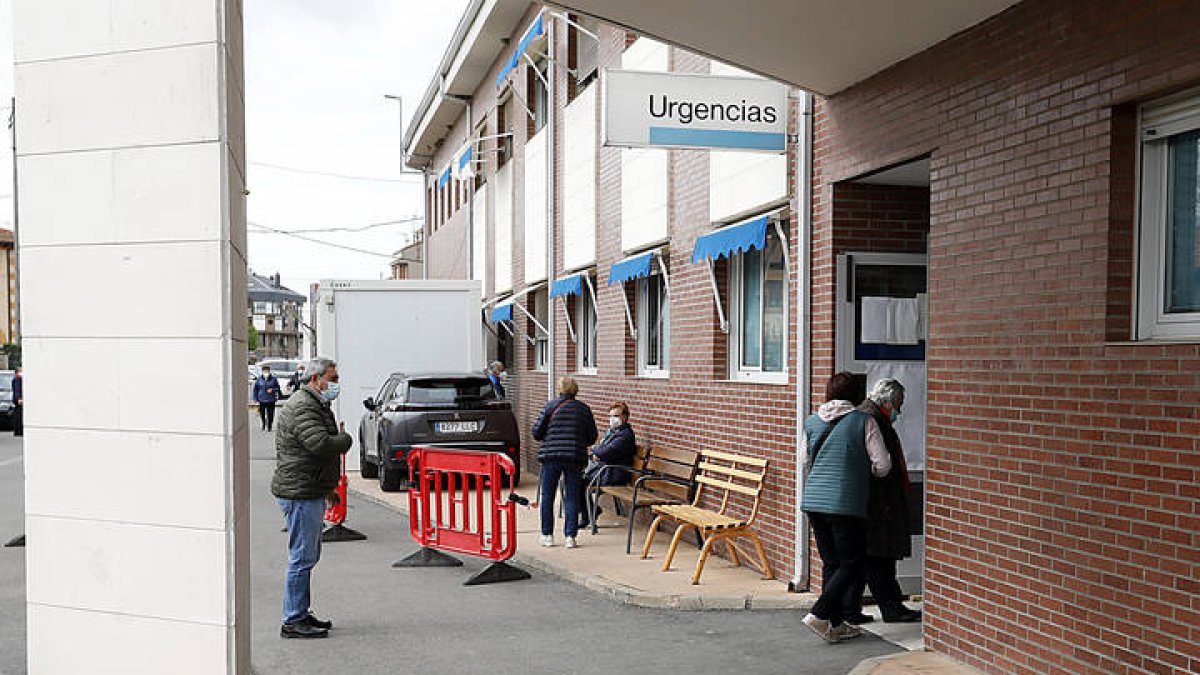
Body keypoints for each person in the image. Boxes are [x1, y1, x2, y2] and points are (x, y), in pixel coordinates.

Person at [800, 372, 892, 644]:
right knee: (852, 563)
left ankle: (835, 624)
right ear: (857, 395)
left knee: (832, 563)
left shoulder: (812, 421)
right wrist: (864, 472)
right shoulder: (864, 421)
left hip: (814, 501)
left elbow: (804, 460)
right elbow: (883, 465)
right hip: (845, 503)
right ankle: (820, 613)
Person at [270, 357, 352, 639]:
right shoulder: (304, 405)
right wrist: (346, 440)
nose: (336, 384)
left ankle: (301, 612)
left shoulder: (314, 403)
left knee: (308, 555)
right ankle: (293, 619)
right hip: (300, 492)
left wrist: (327, 489)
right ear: (317, 379)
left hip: (308, 488)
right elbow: (319, 444)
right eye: (334, 378)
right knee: (302, 557)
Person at [842, 379, 922, 624]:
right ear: (887, 402)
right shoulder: (873, 420)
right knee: (878, 559)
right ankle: (890, 607)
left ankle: (873, 607)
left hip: (874, 502)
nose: (899, 411)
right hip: (878, 503)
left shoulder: (870, 416)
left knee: (875, 560)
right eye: (898, 405)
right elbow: (882, 465)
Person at [531, 376, 597, 549]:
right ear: (576, 390)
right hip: (574, 457)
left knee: (548, 496)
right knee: (572, 496)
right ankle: (570, 537)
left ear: (559, 389)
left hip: (551, 457)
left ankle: (547, 535)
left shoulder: (550, 406)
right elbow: (592, 437)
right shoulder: (584, 409)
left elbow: (536, 432)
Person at [579, 401, 636, 529]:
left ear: (625, 417)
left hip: (615, 474)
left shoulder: (625, 436)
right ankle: (590, 511)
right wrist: (597, 450)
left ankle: (588, 514)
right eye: (611, 416)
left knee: (577, 482)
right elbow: (601, 449)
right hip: (605, 470)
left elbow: (605, 452)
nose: (613, 419)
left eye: (616, 416)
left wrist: (596, 450)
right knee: (573, 479)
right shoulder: (613, 433)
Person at [254, 365, 281, 431]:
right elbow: (255, 389)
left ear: (269, 371)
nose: (266, 372)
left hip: (271, 399)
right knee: (262, 413)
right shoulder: (259, 379)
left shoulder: (274, 379)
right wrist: (255, 398)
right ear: (262, 372)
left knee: (271, 414)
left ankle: (270, 425)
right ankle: (263, 423)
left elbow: (277, 388)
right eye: (264, 371)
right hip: (262, 399)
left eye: (267, 371)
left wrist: (272, 390)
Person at [11, 368, 22, 437]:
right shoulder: (17, 379)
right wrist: (19, 398)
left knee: (18, 414)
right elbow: (17, 389)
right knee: (18, 415)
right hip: (18, 399)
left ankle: (18, 430)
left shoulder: (16, 378)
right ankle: (18, 431)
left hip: (17, 399)